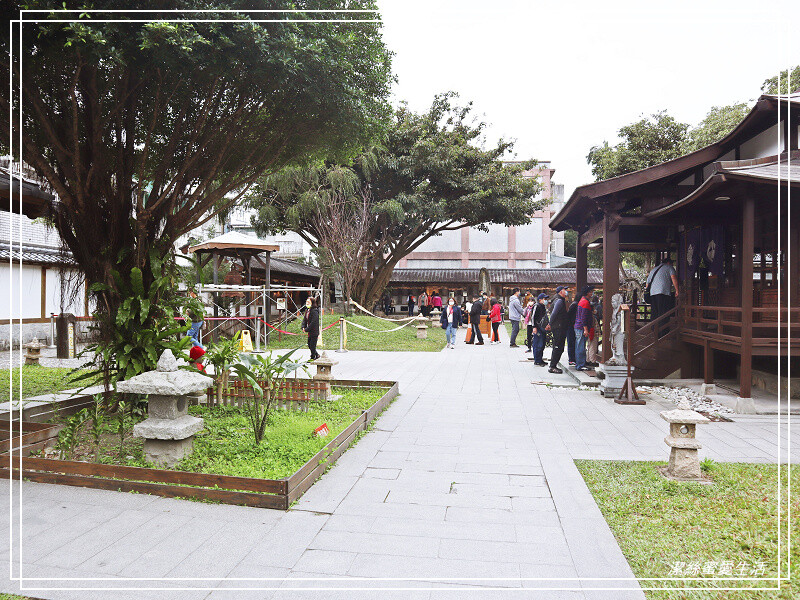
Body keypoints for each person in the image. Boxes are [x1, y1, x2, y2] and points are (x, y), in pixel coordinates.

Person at [646, 257, 680, 321]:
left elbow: (647, 284)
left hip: (653, 293)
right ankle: (663, 330)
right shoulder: (669, 267)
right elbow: (673, 278)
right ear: (669, 263)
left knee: (654, 313)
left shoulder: (653, 270)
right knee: (663, 313)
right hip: (663, 292)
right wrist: (677, 290)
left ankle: (654, 329)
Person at [546, 286, 569, 374]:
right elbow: (554, 313)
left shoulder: (558, 300)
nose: (566, 291)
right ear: (560, 292)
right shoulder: (559, 301)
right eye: (564, 290)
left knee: (559, 347)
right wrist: (550, 324)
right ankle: (552, 366)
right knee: (558, 347)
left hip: (559, 326)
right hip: (559, 327)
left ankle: (553, 364)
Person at [573, 285, 594, 371]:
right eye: (591, 291)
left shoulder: (581, 301)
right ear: (588, 293)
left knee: (579, 346)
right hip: (581, 327)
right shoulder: (585, 303)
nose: (592, 293)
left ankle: (579, 363)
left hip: (578, 326)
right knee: (581, 347)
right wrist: (585, 329)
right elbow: (584, 317)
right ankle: (580, 364)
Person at [531, 293, 549, 366]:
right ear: (540, 300)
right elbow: (533, 317)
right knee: (538, 344)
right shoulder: (536, 306)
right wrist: (534, 327)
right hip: (537, 327)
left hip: (542, 327)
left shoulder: (543, 307)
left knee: (542, 344)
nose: (546, 301)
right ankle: (537, 360)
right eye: (544, 299)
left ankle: (540, 359)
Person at [586, 294, 602, 367]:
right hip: (593, 333)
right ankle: (592, 360)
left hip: (590, 333)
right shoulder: (593, 317)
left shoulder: (589, 316)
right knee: (593, 346)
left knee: (589, 346)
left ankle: (588, 359)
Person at [566, 295, 578, 365]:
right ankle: (571, 359)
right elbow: (570, 316)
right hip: (571, 326)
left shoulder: (573, 304)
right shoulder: (574, 305)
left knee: (572, 342)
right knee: (571, 342)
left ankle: (572, 358)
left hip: (571, 326)